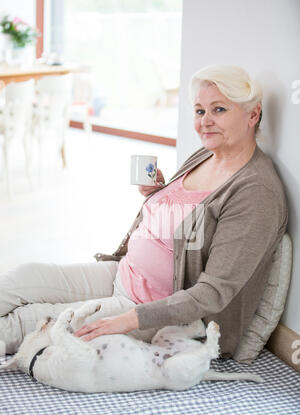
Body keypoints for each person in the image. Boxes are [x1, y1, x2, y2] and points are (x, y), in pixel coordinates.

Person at [0, 64, 288, 359]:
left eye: (219, 110)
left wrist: (128, 320)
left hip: (158, 314)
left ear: (252, 114)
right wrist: (161, 195)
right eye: (200, 111)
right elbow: (188, 225)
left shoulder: (256, 192)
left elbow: (212, 293)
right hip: (123, 275)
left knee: (27, 321)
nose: (205, 122)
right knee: (22, 278)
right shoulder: (206, 153)